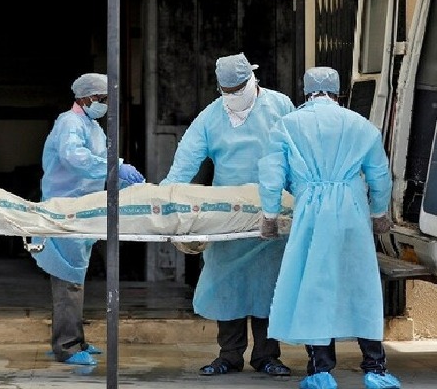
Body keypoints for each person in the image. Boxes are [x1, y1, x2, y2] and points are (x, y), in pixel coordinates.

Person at [258, 66, 401, 389]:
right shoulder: (360, 124)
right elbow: (379, 174)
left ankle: (321, 370)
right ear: (339, 92)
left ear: (305, 91)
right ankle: (375, 368)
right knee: (361, 286)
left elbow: (271, 175)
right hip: (352, 212)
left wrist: (269, 215)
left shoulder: (288, 125)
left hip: (311, 213)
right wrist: (379, 213)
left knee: (315, 288)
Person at [159, 53, 295, 376]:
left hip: (270, 212)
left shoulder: (280, 106)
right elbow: (185, 161)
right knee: (227, 285)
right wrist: (165, 198)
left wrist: (298, 200)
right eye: (227, 91)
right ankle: (229, 355)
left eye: (239, 89)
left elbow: (297, 153)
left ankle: (267, 356)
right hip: (228, 216)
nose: (234, 96)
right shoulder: (211, 117)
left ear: (252, 79)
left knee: (268, 286)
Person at [31, 72, 144, 366]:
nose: (105, 104)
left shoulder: (91, 126)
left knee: (75, 279)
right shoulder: (69, 123)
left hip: (82, 211)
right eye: (102, 99)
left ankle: (75, 340)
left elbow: (100, 161)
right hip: (65, 210)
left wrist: (123, 178)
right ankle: (66, 346)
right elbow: (75, 158)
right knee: (67, 281)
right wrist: (116, 166)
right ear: (86, 97)